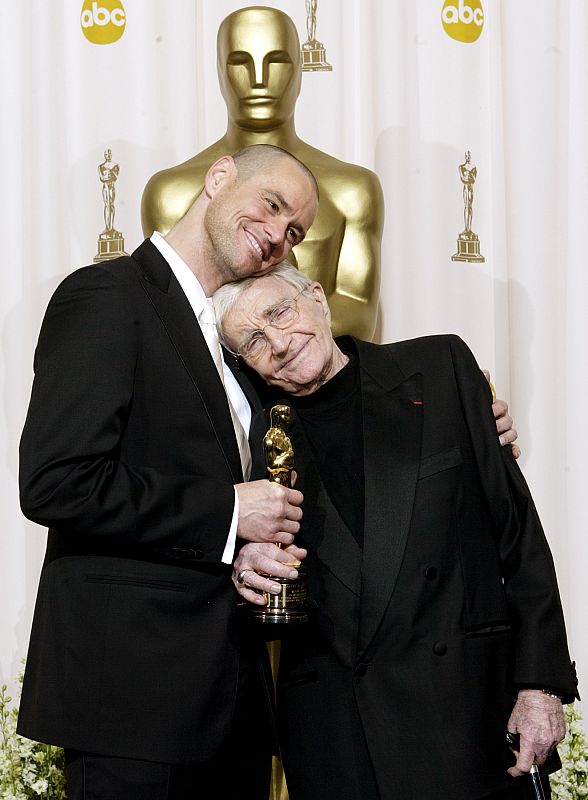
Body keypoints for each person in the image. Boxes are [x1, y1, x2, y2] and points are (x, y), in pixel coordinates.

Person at [17, 144, 318, 800]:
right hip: (129, 703)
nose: (277, 235)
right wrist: (230, 516)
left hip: (229, 706)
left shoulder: (235, 339)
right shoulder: (107, 295)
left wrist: (452, 405)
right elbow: (58, 479)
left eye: (296, 231)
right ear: (218, 178)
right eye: (271, 205)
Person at [212, 263, 578, 800]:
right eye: (254, 341)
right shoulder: (252, 441)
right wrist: (243, 568)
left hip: (466, 715)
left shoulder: (439, 366)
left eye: (278, 313)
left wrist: (540, 686)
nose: (280, 343)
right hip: (339, 739)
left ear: (316, 296)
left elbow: (518, 536)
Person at [141, 5, 384, 341]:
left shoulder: (353, 191)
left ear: (300, 71)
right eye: (240, 62)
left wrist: (276, 337)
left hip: (320, 387)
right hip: (212, 387)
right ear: (219, 73)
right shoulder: (170, 193)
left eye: (277, 61)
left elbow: (358, 309)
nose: (258, 79)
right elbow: (172, 313)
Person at [98, 148, 119, 232]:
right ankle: (108, 227)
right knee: (107, 205)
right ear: (104, 156)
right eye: (106, 154)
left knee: (112, 205)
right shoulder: (101, 167)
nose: (108, 156)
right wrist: (108, 175)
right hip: (106, 186)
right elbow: (102, 178)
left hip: (111, 186)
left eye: (109, 154)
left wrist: (111, 172)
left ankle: (111, 227)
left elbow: (116, 177)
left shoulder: (115, 165)